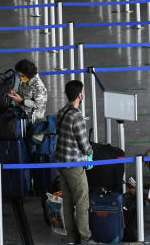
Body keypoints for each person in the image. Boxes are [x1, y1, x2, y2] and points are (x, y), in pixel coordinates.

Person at [56, 80, 95, 245]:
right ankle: (86, 238)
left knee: (67, 201)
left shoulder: (61, 111)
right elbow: (84, 145)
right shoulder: (77, 116)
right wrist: (91, 153)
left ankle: (71, 238)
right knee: (81, 201)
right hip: (74, 165)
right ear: (80, 95)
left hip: (60, 162)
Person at [9, 59, 47, 123]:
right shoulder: (26, 80)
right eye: (19, 76)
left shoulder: (39, 87)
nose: (20, 78)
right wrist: (16, 93)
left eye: (22, 76)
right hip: (23, 113)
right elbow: (24, 93)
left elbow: (38, 105)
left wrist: (22, 101)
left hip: (33, 119)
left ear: (28, 74)